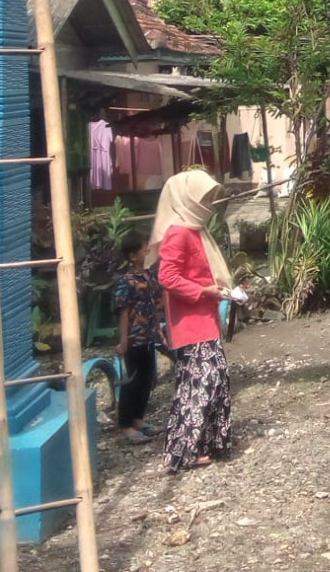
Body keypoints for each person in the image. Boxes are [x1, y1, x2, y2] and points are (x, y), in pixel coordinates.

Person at [148, 168, 234, 472]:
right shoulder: (178, 232)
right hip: (189, 321)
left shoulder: (196, 229)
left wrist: (216, 291)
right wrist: (203, 291)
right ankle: (181, 451)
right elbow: (167, 277)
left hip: (203, 316)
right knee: (200, 383)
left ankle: (208, 442)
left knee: (216, 379)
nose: (209, 204)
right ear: (187, 199)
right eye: (204, 197)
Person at [111, 231, 164, 445]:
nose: (148, 252)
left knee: (147, 378)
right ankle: (125, 425)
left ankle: (138, 419)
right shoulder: (127, 282)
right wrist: (124, 340)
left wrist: (158, 329)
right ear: (133, 255)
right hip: (134, 339)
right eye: (144, 250)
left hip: (149, 336)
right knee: (132, 381)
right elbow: (124, 312)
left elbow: (154, 305)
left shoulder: (149, 277)